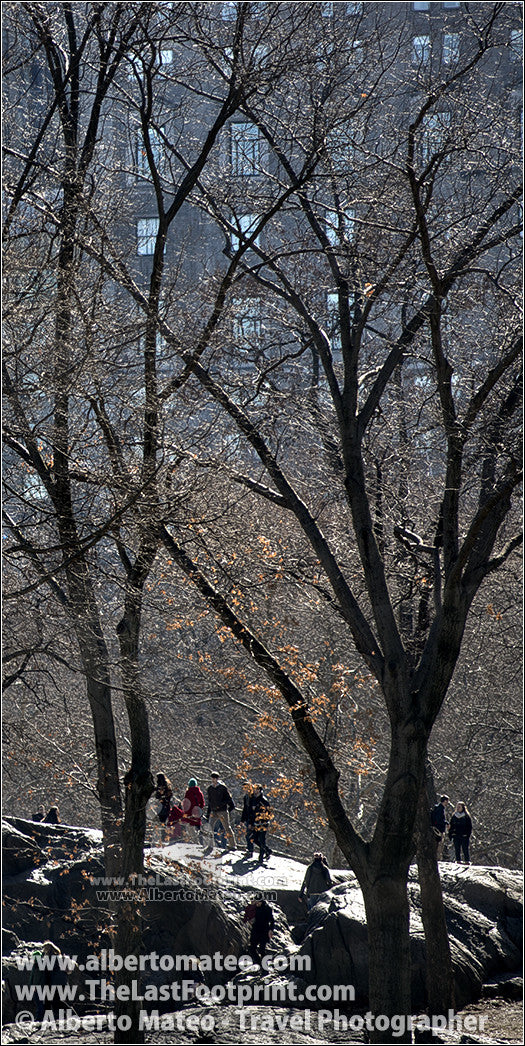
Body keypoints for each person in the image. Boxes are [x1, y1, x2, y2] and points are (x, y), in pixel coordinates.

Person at [241, 783, 272, 863]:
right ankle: (267, 850)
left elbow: (268, 813)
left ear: (260, 790)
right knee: (253, 838)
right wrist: (250, 822)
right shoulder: (253, 799)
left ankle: (261, 858)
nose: (255, 791)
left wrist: (263, 821)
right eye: (254, 789)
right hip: (255, 823)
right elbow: (251, 812)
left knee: (262, 840)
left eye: (257, 789)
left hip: (263, 823)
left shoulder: (263, 801)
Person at [205, 772, 236, 849]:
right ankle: (210, 844)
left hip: (222, 811)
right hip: (214, 811)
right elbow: (210, 801)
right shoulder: (210, 789)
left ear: (217, 779)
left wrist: (222, 805)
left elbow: (229, 799)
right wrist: (208, 814)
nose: (213, 780)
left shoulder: (222, 788)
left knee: (227, 827)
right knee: (210, 827)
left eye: (214, 778)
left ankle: (232, 845)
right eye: (212, 778)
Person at [244, 894, 275, 965]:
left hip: (264, 931)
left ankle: (264, 966)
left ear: (262, 901)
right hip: (255, 930)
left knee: (262, 950)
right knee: (252, 948)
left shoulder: (267, 909)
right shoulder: (254, 908)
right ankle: (260, 963)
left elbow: (272, 920)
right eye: (256, 902)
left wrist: (271, 930)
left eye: (258, 902)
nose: (257, 903)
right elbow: (248, 915)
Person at [181, 778, 205, 843]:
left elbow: (186, 802)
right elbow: (202, 803)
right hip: (197, 811)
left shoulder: (188, 792)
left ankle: (195, 841)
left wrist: (185, 811)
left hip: (189, 812)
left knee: (190, 826)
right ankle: (201, 841)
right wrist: (199, 808)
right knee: (198, 826)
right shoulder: (199, 792)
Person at [430, 794, 450, 860]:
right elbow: (439, 820)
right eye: (447, 801)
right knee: (439, 845)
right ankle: (437, 858)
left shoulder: (437, 808)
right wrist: (446, 823)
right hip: (439, 829)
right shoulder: (440, 809)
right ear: (445, 801)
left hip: (436, 828)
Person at [154, 773, 173, 840]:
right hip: (165, 806)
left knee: (162, 821)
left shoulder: (161, 787)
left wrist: (162, 797)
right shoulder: (167, 786)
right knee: (164, 821)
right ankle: (164, 836)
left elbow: (157, 796)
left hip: (161, 806)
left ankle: (163, 837)